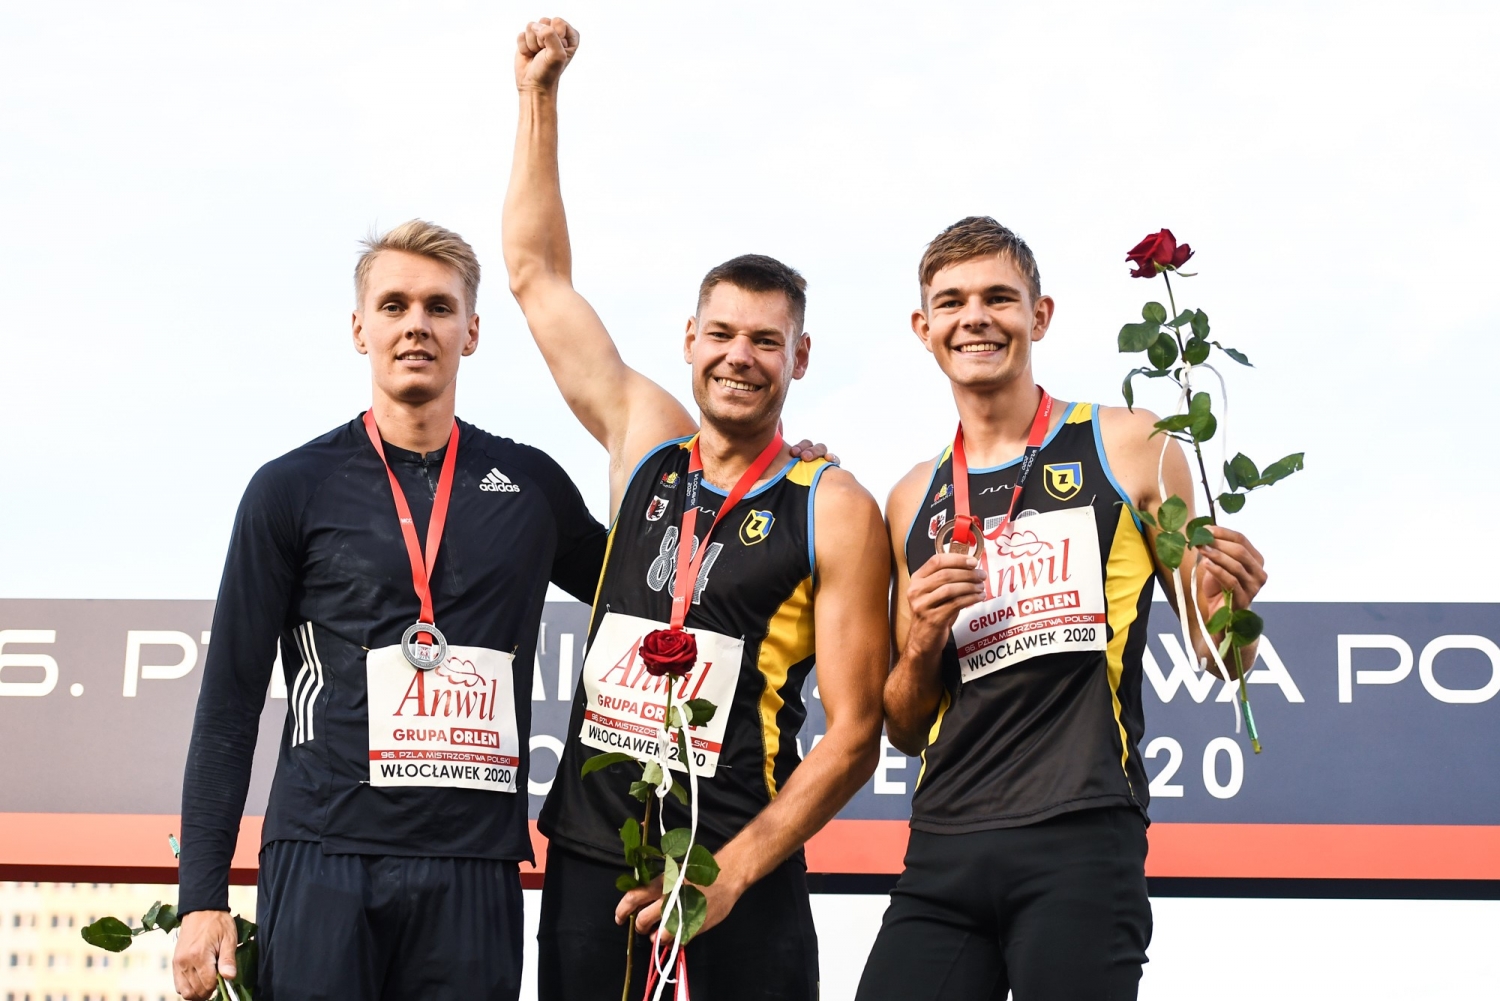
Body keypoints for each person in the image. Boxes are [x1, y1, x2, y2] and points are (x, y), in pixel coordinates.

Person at [504, 18, 891, 1001]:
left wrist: (735, 869)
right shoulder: (647, 443)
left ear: (800, 357)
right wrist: (538, 97)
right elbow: (537, 277)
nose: (739, 356)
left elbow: (855, 733)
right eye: (721, 333)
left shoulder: (832, 505)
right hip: (594, 861)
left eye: (766, 340)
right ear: (688, 337)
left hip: (738, 870)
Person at [170, 219, 610, 1001]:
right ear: (359, 329)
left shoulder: (530, 486)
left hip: (474, 864)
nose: (416, 325)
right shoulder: (290, 488)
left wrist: (774, 474)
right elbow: (230, 702)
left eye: (440, 307)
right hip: (325, 853)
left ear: (471, 331)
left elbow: (646, 588)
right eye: (394, 305)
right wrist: (202, 895)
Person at [855, 216, 1270, 1001]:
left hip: (1079, 833)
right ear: (924, 327)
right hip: (943, 844)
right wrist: (922, 640)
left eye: (998, 297)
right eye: (952, 302)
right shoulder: (911, 495)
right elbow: (904, 727)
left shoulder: (1132, 441)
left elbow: (1220, 656)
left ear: (1039, 315)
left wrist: (1234, 603)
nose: (975, 317)